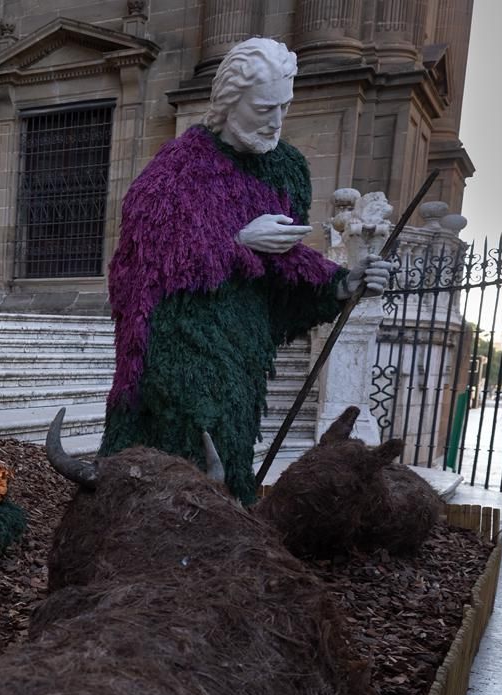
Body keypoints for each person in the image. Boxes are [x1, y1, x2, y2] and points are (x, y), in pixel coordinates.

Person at [99, 37, 391, 505]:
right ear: (229, 101)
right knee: (180, 460)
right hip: (181, 349)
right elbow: (147, 264)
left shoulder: (288, 169)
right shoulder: (176, 170)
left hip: (245, 352)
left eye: (284, 107)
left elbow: (285, 273)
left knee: (232, 452)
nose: (276, 122)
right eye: (263, 109)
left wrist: (341, 284)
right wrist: (237, 242)